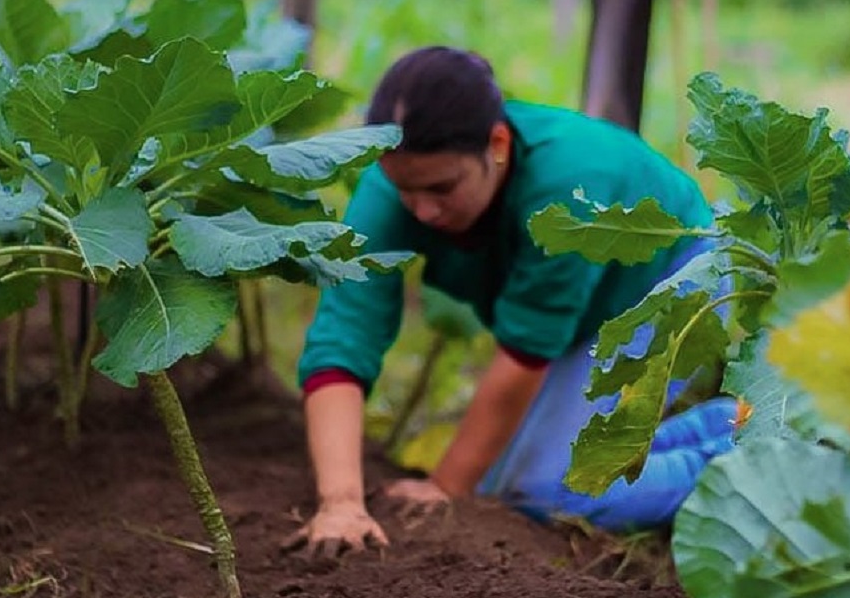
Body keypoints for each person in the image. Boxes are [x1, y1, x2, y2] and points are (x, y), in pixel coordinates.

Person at [284, 46, 736, 555]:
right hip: (583, 312)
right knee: (502, 484)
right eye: (405, 190)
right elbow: (344, 337)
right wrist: (341, 502)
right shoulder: (392, 190)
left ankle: (750, 453)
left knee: (548, 490)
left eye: (442, 188)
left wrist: (446, 487)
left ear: (496, 144)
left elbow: (525, 354)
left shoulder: (564, 187)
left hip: (674, 280)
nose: (423, 211)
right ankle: (722, 426)